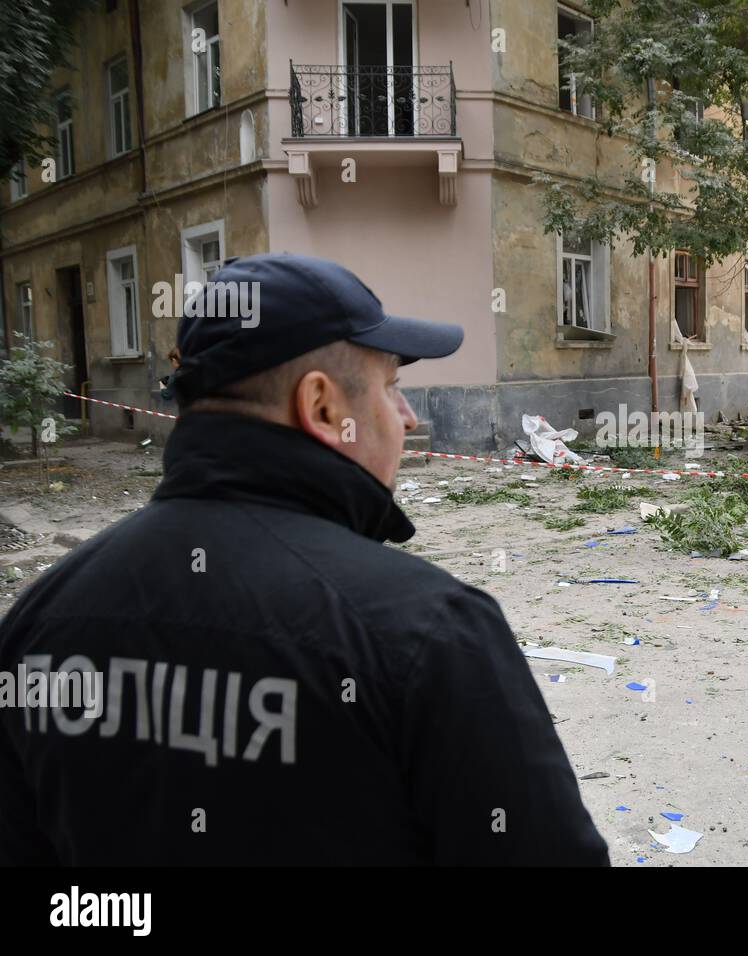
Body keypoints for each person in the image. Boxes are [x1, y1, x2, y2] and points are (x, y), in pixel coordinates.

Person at [0, 253, 610, 866]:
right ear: (321, 407)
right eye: (392, 388)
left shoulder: (38, 623)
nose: (409, 418)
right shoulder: (430, 634)